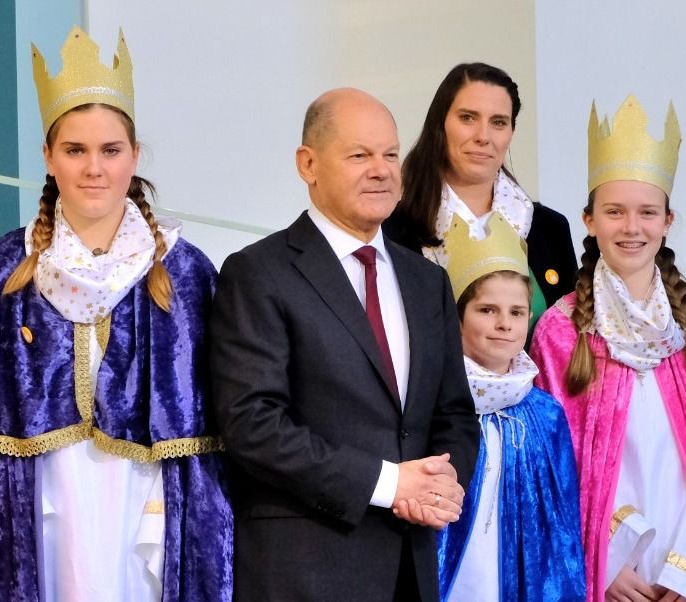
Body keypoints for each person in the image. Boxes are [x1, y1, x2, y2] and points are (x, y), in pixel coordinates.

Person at [0, 27, 231, 601]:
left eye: (110, 151)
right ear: (47, 156)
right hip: (43, 500)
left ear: (134, 156)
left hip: (146, 497)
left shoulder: (184, 275)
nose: (94, 168)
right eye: (75, 150)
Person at [207, 87, 480, 601]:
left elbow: (455, 414)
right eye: (359, 155)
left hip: (411, 569)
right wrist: (388, 484)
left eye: (391, 154)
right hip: (304, 569)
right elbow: (252, 424)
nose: (381, 170)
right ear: (308, 164)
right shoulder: (258, 273)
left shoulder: (427, 281)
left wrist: (442, 487)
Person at [531, 97, 686, 602]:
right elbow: (552, 465)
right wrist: (604, 561)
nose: (632, 228)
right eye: (614, 212)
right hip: (606, 572)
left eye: (647, 213)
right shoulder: (560, 331)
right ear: (589, 220)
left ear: (668, 220)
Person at [429, 224, 585, 601]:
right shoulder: (433, 401)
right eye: (487, 310)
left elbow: (562, 527)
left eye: (517, 312)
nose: (504, 324)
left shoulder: (545, 414)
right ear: (458, 317)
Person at [384, 62, 577, 327]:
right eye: (467, 118)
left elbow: (567, 345)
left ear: (511, 133)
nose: (483, 136)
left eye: (498, 122)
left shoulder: (549, 228)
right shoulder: (392, 232)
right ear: (440, 124)